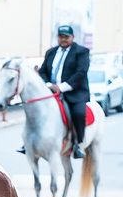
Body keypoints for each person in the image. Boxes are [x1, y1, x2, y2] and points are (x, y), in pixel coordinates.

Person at [38, 25, 90, 159]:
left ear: (72, 37)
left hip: (74, 92)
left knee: (78, 113)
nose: (64, 39)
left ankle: (78, 144)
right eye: (61, 37)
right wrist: (49, 85)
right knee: (35, 111)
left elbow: (81, 73)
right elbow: (43, 71)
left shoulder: (81, 51)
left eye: (66, 37)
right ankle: (30, 143)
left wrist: (62, 87)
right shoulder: (51, 52)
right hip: (51, 92)